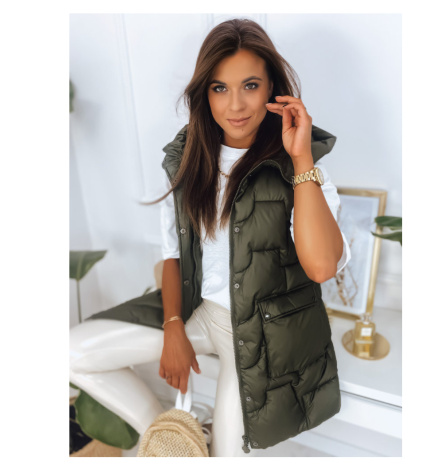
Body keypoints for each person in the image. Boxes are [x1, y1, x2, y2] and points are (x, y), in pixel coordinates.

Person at [69, 18, 351, 457]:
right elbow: (173, 255)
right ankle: (179, 440)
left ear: (273, 89)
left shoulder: (302, 169)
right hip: (199, 312)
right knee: (72, 353)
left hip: (260, 334)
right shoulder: (188, 159)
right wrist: (173, 327)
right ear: (205, 93)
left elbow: (321, 267)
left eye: (250, 85)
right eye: (220, 88)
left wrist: (300, 160)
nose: (235, 104)